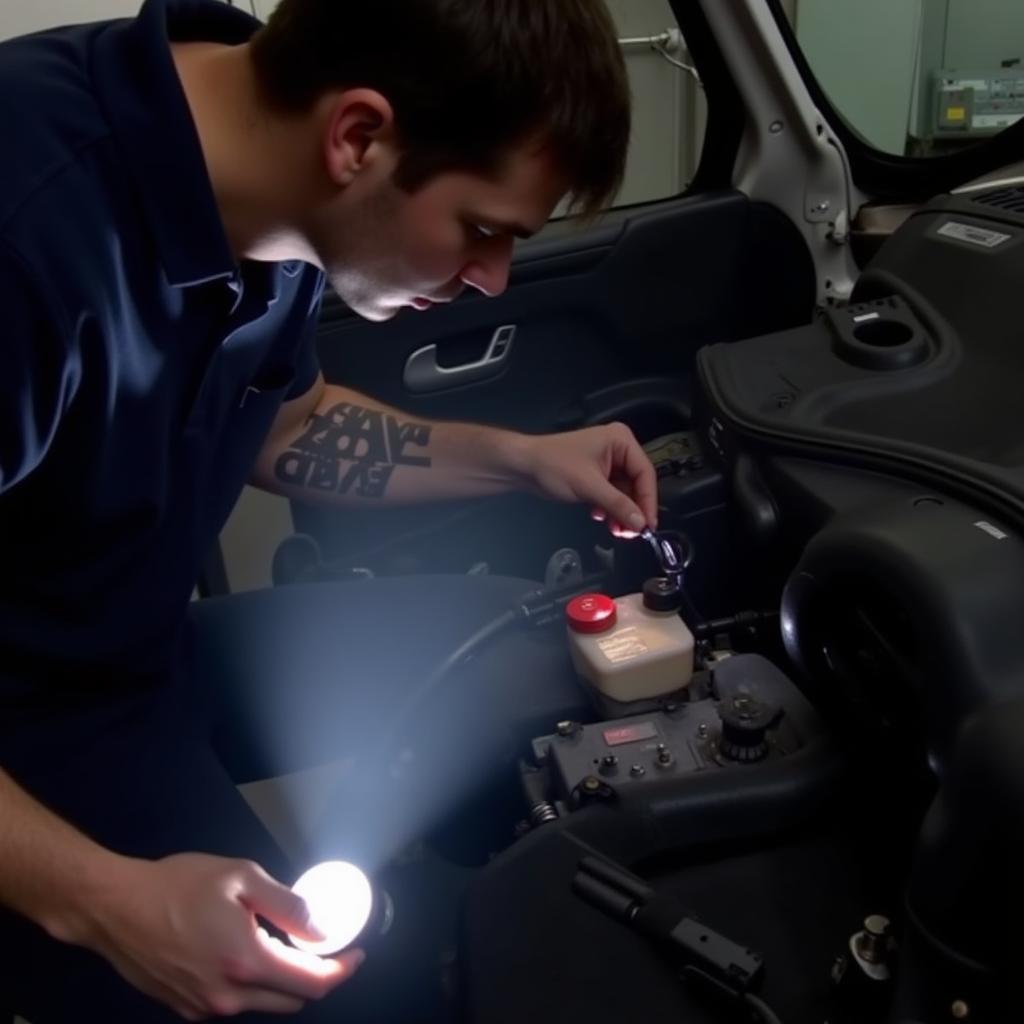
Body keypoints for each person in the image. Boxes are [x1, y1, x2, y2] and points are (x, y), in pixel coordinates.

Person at [0, 0, 651, 1020]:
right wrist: (110, 903)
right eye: (481, 230)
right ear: (358, 135)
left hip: (133, 651)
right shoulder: (25, 227)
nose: (491, 278)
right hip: (27, 743)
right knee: (339, 1003)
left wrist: (524, 460)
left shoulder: (272, 190)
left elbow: (281, 425)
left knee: (515, 644)